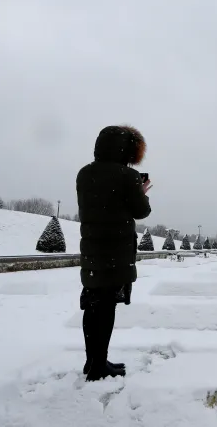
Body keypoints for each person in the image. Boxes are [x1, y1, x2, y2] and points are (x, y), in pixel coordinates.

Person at [76, 125, 151, 381]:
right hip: (116, 250)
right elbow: (141, 211)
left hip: (92, 249)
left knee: (92, 305)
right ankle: (99, 367)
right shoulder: (127, 176)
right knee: (107, 307)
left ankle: (92, 361)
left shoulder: (85, 173)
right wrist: (141, 191)